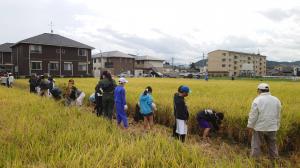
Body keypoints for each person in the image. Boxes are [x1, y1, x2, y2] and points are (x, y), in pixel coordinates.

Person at [247, 83, 281, 163]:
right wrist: (277, 126)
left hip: (259, 128)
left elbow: (253, 115)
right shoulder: (276, 100)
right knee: (272, 145)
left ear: (259, 90)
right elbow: (278, 115)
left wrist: (250, 126)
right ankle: (275, 161)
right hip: (272, 127)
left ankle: (255, 162)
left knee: (256, 145)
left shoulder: (257, 100)